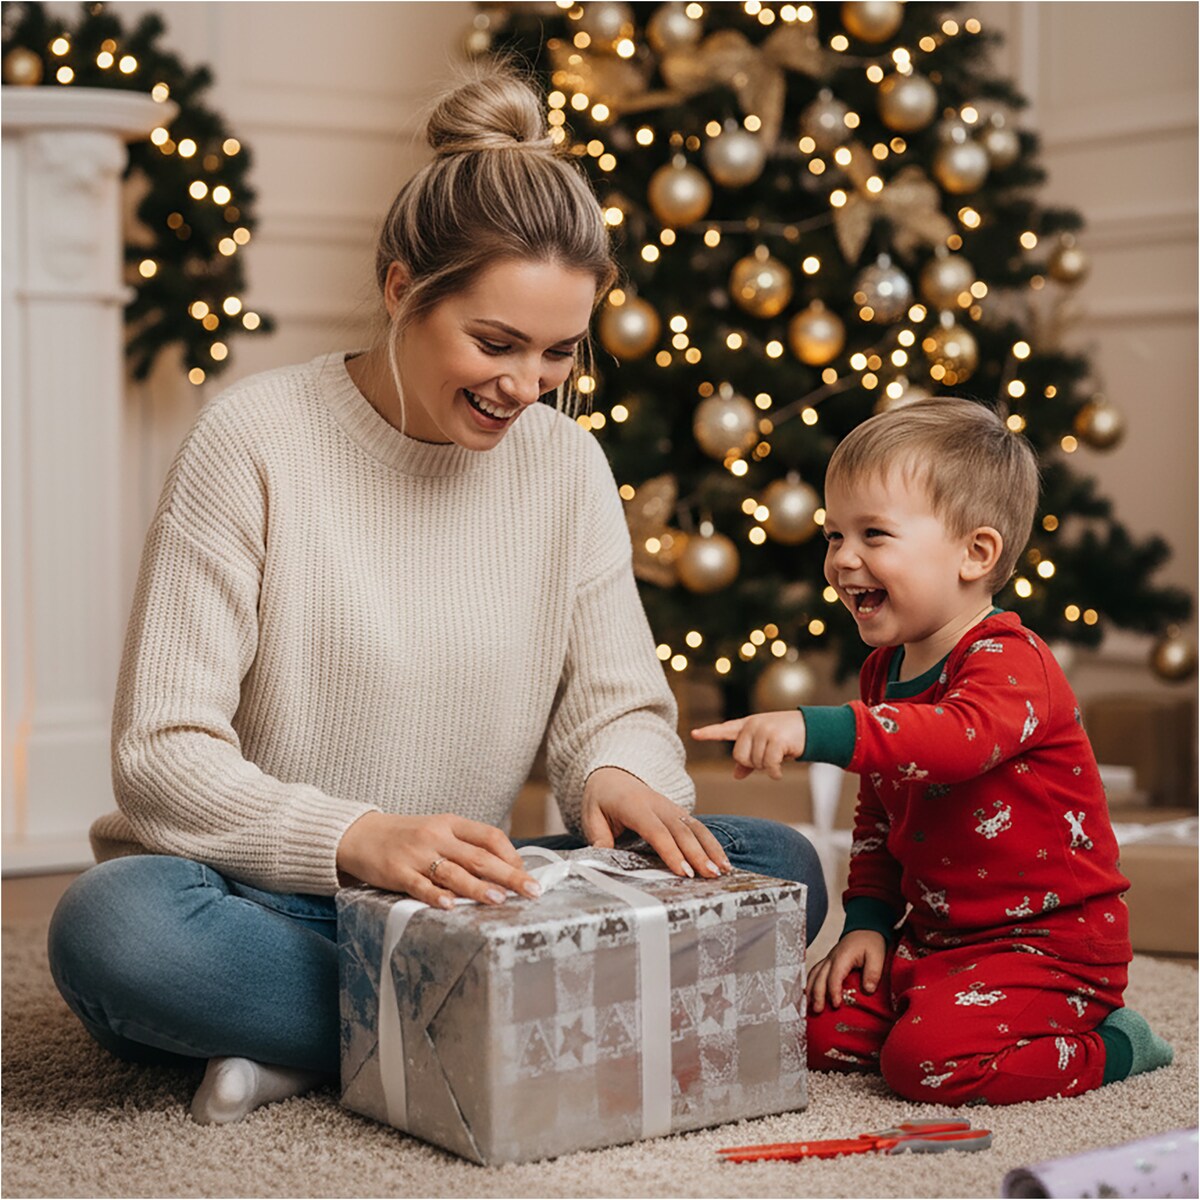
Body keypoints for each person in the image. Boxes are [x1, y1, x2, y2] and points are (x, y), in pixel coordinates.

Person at [46, 68, 826, 1127]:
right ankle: (493, 1033)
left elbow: (618, 709)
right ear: (403, 286)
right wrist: (357, 838)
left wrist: (619, 774)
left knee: (776, 868)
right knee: (117, 930)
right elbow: (161, 757)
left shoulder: (565, 466)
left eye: (558, 356)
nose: (524, 387)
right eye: (495, 344)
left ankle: (333, 1042)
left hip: (470, 904)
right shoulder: (256, 440)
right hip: (264, 896)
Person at [693, 398, 1173, 1106]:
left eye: (873, 535)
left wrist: (816, 729)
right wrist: (865, 925)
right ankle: (937, 1007)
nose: (842, 559)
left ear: (975, 554)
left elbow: (954, 742)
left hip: (1044, 949)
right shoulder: (883, 672)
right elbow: (878, 819)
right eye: (833, 535)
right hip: (933, 940)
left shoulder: (1013, 664)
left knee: (926, 1066)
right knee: (809, 1029)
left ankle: (1115, 1042)